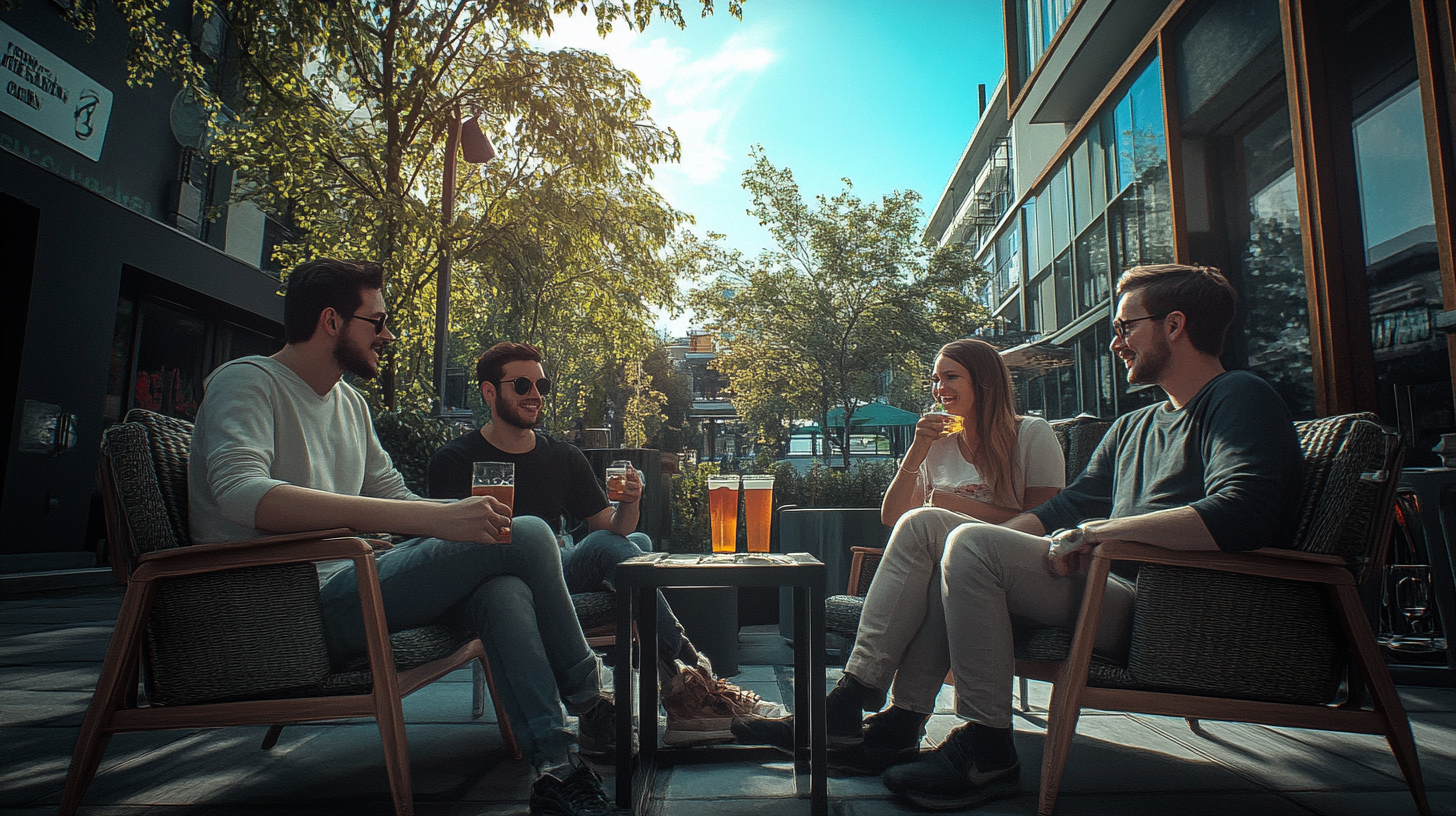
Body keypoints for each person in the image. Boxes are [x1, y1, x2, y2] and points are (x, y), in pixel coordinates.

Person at [188, 259, 628, 816]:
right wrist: (434, 522)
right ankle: (591, 700)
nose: (389, 335)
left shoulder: (349, 403)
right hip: (292, 603)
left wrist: (454, 515)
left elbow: (396, 500)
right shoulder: (247, 381)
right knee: (532, 532)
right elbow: (240, 493)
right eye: (378, 321)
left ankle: (556, 768)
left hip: (358, 577)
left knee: (503, 589)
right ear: (331, 321)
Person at [879, 264, 1305, 810]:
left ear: (1174, 325)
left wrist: (1096, 533)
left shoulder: (1239, 396)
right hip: (1100, 583)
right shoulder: (1134, 426)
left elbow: (1242, 512)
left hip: (1168, 603)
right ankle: (894, 720)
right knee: (941, 532)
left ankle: (987, 748)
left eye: (1126, 327)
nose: (1116, 342)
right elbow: (1067, 506)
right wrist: (982, 549)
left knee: (970, 545)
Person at [732, 338, 1066, 773]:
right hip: (957, 579)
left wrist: (953, 504)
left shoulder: (1031, 433)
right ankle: (898, 728)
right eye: (934, 379)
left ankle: (852, 697)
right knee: (930, 559)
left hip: (1024, 572)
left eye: (950, 377)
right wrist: (917, 450)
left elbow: (1044, 520)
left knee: (926, 522)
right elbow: (892, 516)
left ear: (983, 382)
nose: (938, 388)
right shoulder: (941, 445)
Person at [427, 341, 781, 748]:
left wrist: (630, 503)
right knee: (631, 551)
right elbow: (445, 551)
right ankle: (688, 684)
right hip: (497, 579)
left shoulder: (562, 456)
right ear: (490, 392)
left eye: (541, 384)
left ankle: (686, 678)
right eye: (522, 384)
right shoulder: (454, 460)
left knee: (624, 544)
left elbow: (612, 528)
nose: (535, 395)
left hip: (559, 568)